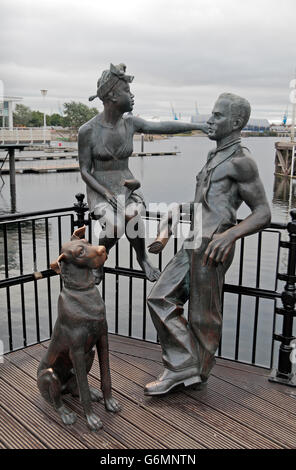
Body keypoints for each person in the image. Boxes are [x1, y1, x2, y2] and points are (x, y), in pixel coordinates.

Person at [144, 92, 271, 396]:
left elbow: (263, 212)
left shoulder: (243, 162)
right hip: (193, 239)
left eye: (217, 116)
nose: (210, 121)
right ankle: (187, 363)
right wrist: (177, 211)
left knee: (203, 315)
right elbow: (206, 204)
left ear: (236, 122)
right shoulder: (214, 156)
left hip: (213, 244)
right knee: (159, 297)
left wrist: (230, 235)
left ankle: (188, 369)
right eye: (211, 115)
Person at [78, 63, 207, 283]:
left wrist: (198, 126)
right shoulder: (88, 131)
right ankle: (98, 260)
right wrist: (107, 194)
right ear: (112, 96)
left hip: (127, 185)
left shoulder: (131, 123)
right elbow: (84, 171)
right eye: (127, 91)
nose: (132, 95)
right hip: (100, 189)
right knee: (115, 226)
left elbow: (162, 126)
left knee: (132, 216)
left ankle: (143, 259)